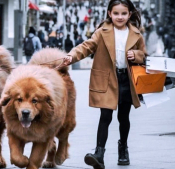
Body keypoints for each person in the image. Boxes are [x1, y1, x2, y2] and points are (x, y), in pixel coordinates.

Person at [63, 0, 146, 168]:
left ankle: (123, 147)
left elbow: (144, 55)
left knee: (124, 117)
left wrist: (136, 54)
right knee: (105, 116)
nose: (120, 17)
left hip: (127, 80)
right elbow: (87, 46)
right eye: (116, 13)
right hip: (107, 79)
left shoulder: (136, 34)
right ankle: (99, 153)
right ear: (109, 13)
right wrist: (71, 57)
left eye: (124, 13)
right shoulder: (102, 32)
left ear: (129, 14)